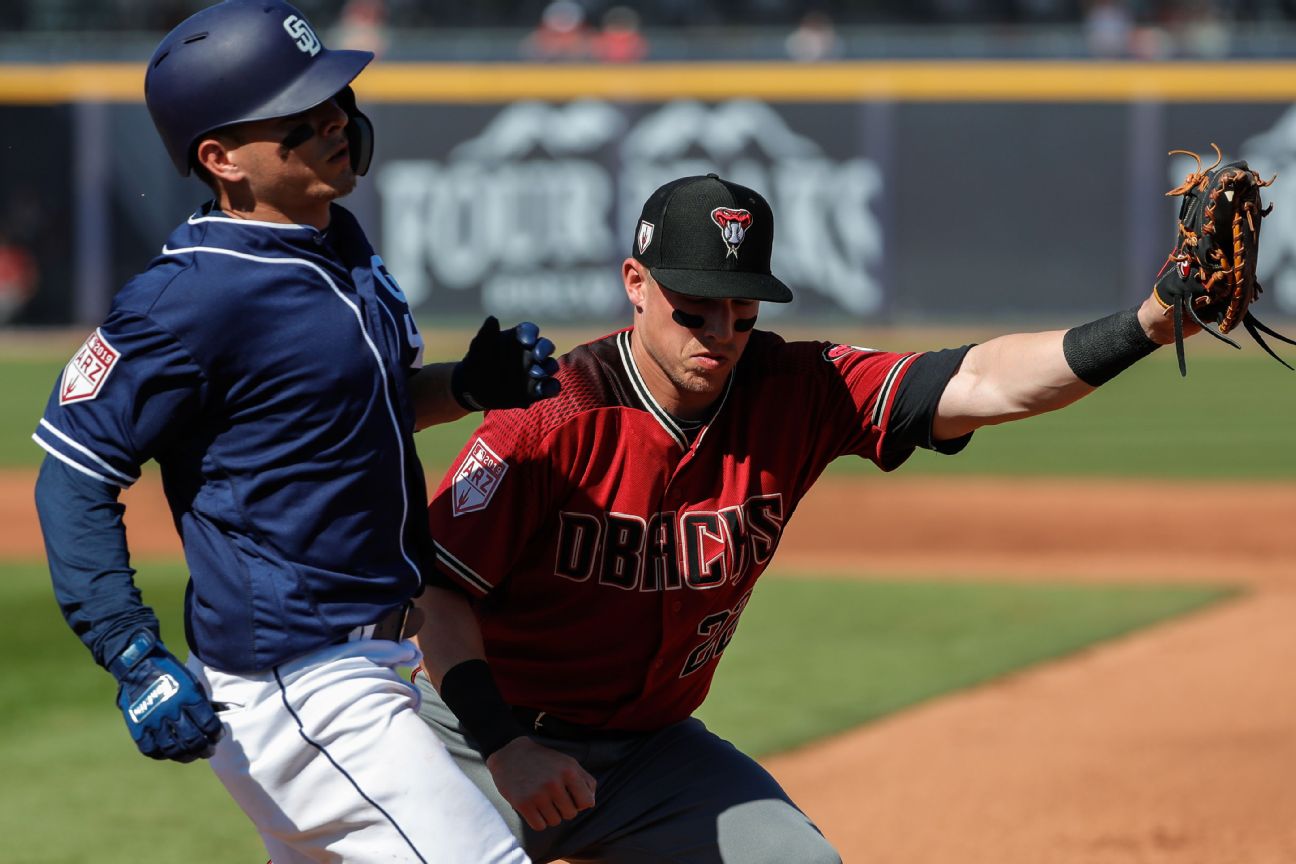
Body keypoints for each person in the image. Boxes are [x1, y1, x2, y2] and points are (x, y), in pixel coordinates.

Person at [409, 173, 1200, 863]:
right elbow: (438, 593)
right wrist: (505, 745)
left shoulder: (798, 387)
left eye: (741, 311)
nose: (720, 335)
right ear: (636, 283)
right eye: (694, 310)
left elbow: (982, 382)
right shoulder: (556, 414)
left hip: (650, 753)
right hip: (483, 739)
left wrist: (1145, 327)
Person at [31, 2, 554, 862]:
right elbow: (73, 475)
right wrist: (131, 652)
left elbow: (344, 416)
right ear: (220, 159)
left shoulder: (336, 243)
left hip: (371, 663)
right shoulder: (185, 301)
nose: (334, 124)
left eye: (335, 101)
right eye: (298, 120)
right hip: (301, 683)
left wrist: (462, 389)